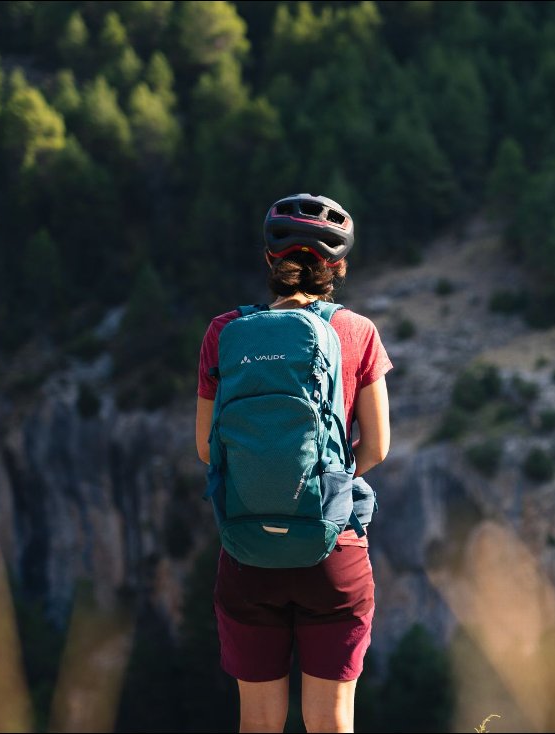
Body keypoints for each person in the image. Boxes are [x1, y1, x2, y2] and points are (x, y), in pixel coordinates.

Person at [195, 193, 392, 733]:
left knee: (258, 724)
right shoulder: (359, 333)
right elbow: (376, 447)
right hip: (334, 547)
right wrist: (325, 485)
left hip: (248, 548)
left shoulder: (224, 332)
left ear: (269, 260)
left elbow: (207, 448)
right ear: (338, 266)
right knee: (331, 722)